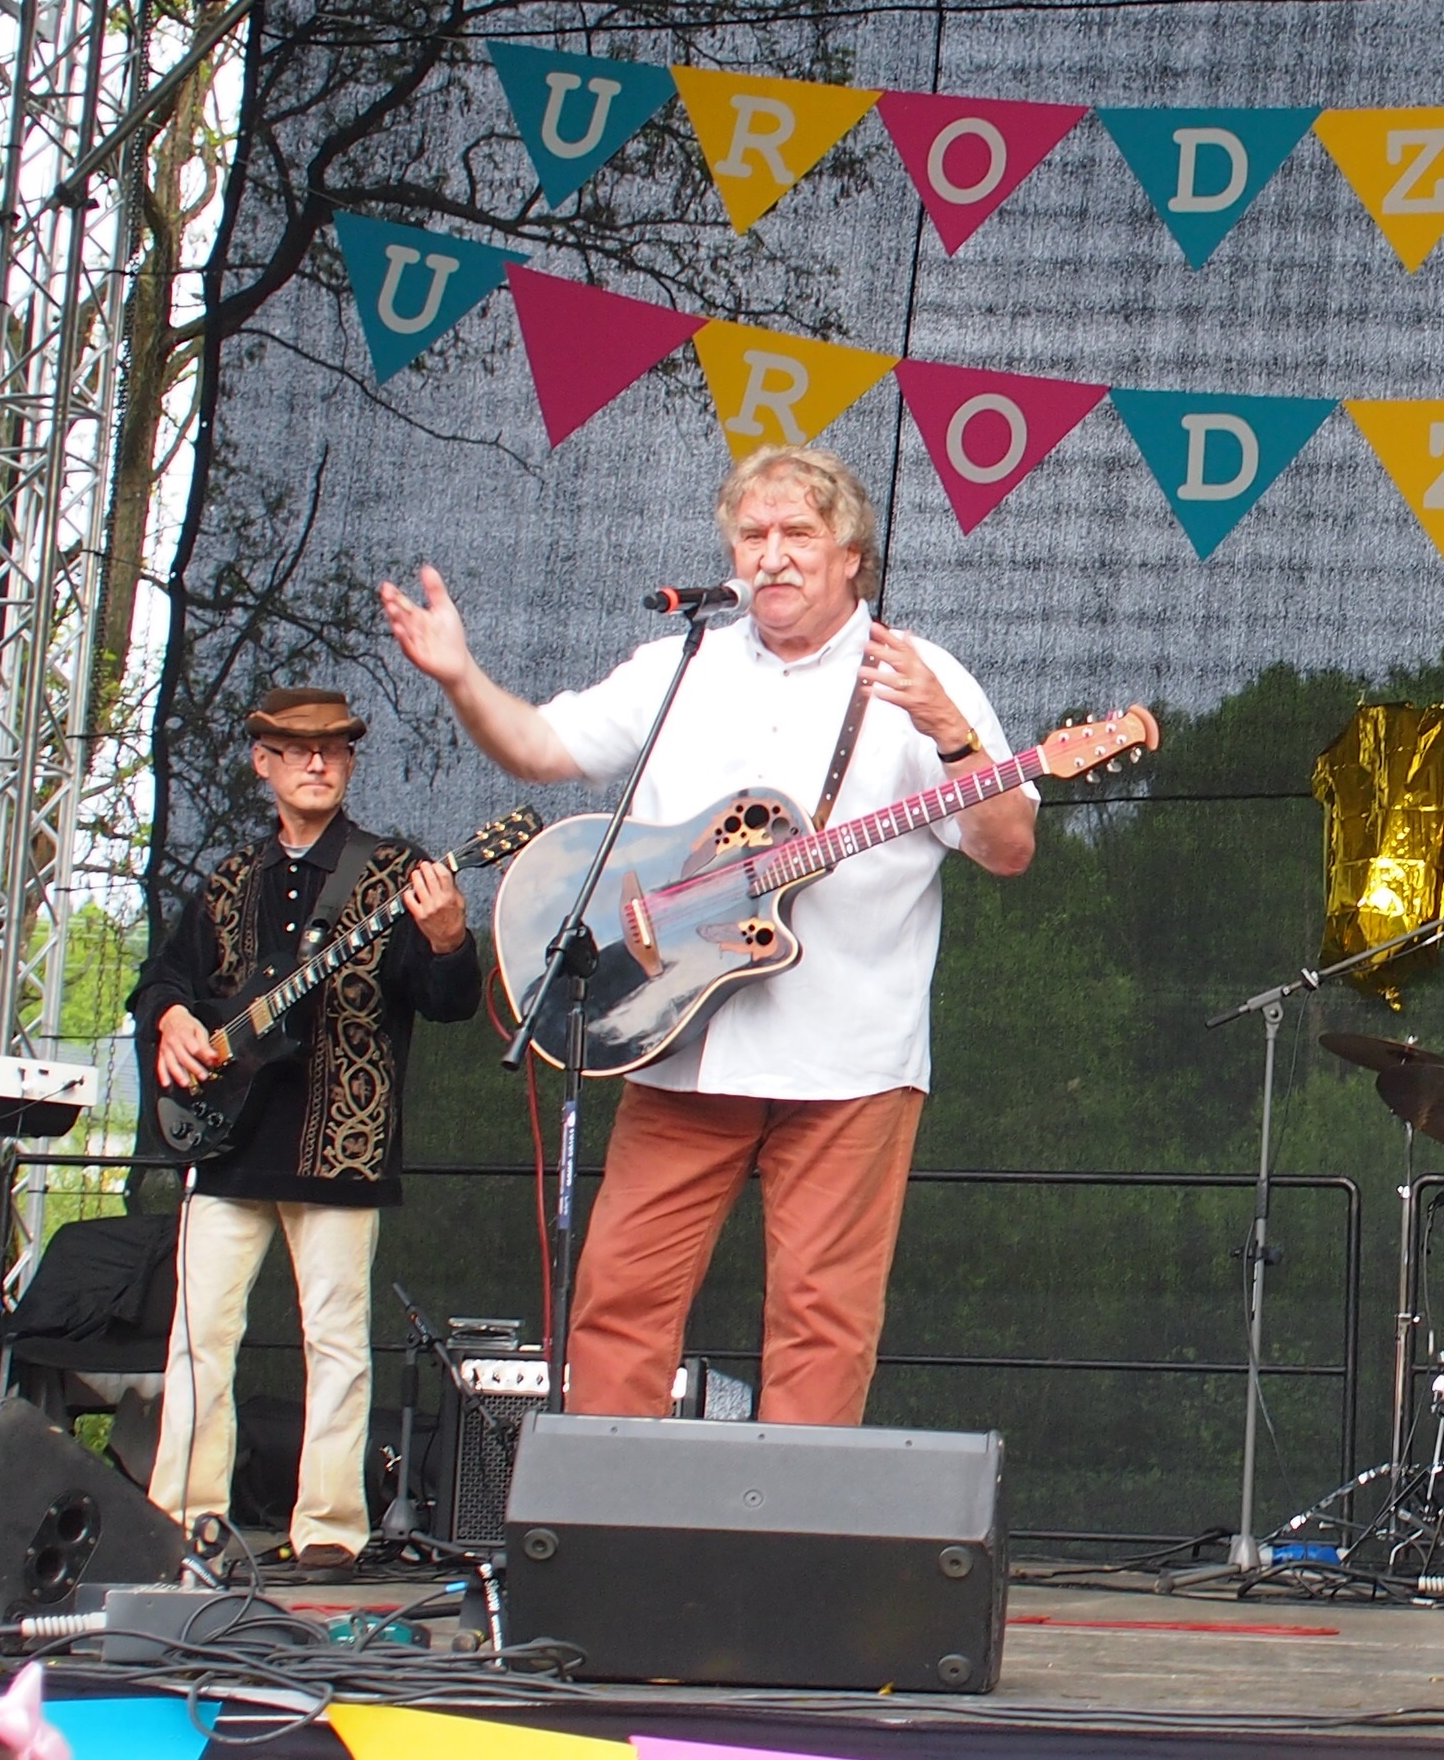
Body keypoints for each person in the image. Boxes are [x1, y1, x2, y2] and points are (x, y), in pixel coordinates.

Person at [381, 443, 1036, 1426]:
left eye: (798, 532)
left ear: (851, 554)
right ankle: (608, 1506)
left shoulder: (919, 674)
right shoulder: (680, 662)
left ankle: (789, 1522)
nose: (772, 554)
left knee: (822, 1322)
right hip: (679, 1041)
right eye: (752, 534)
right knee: (619, 1301)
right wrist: (461, 676)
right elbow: (539, 747)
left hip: (849, 1059)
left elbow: (1008, 844)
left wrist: (951, 732)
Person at [131, 686, 479, 1577]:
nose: (317, 762)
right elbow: (163, 979)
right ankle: (183, 1521)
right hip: (225, 1143)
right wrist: (172, 1020)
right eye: (296, 748)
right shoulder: (228, 878)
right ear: (264, 762)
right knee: (199, 1337)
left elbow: (447, 1004)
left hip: (340, 1143)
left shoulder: (394, 871)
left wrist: (448, 941)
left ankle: (329, 1528)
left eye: (335, 748)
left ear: (351, 762)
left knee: (335, 1342)